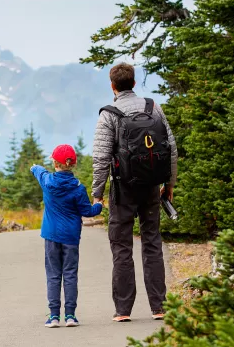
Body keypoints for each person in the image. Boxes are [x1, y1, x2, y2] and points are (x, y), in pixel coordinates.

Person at [92, 62, 178, 322]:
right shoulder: (153, 107)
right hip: (151, 187)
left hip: (123, 189)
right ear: (134, 83)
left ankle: (123, 310)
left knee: (122, 248)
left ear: (113, 85)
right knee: (152, 243)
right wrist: (169, 185)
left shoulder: (109, 114)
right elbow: (171, 149)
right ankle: (159, 307)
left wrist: (97, 193)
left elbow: (100, 157)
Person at [31, 144, 103, 328]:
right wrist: (99, 204)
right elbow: (88, 211)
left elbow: (38, 170)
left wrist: (34, 167)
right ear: (73, 164)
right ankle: (70, 315)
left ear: (54, 163)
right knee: (70, 274)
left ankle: (54, 316)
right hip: (71, 237)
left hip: (51, 235)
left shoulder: (47, 181)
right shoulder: (78, 188)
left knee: (53, 275)